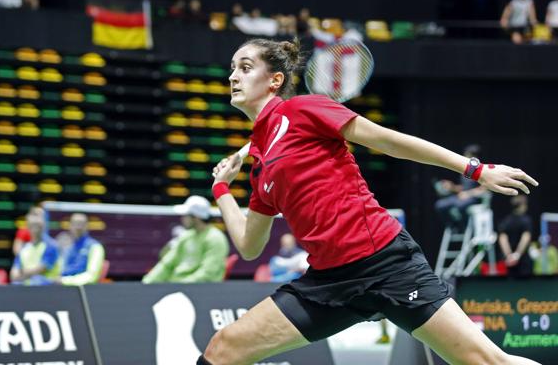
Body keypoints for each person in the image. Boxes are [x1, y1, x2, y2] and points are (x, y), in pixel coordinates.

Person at [201, 38, 540, 365]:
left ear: (275, 80)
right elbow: (249, 246)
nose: (233, 76)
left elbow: (387, 140)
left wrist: (474, 170)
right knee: (223, 350)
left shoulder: (303, 109)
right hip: (328, 283)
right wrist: (222, 189)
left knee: (486, 361)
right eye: (232, 68)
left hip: (385, 263)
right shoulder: (260, 164)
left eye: (245, 68)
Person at [143, 195, 229, 284]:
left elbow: (208, 273)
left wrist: (181, 286)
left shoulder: (215, 238)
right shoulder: (186, 236)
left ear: (196, 217)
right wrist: (146, 282)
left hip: (200, 291)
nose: (182, 218)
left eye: (185, 215)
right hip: (176, 287)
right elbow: (167, 263)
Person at [434, 144, 488, 232]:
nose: (465, 157)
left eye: (468, 155)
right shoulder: (466, 170)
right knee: (440, 205)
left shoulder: (482, 170)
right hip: (461, 197)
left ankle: (465, 228)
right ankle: (453, 227)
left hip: (473, 199)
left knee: (460, 206)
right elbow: (464, 188)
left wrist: (468, 194)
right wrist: (452, 187)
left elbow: (484, 189)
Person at [10, 211, 60, 285]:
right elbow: (13, 275)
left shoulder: (51, 245)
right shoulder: (24, 248)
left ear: (44, 224)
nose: (35, 227)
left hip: (47, 289)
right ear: (27, 225)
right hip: (26, 289)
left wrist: (22, 272)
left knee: (37, 280)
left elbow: (40, 270)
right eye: (32, 224)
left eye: (37, 224)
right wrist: (23, 274)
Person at [57, 213, 105, 286]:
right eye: (75, 223)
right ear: (70, 226)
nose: (78, 227)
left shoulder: (95, 247)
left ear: (87, 226)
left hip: (82, 290)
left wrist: (64, 281)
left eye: (81, 223)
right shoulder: (67, 247)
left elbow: (91, 276)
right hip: (61, 287)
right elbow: (60, 270)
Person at [497, 195, 533, 277]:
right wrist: (517, 255)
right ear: (523, 205)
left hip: (509, 261)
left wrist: (509, 256)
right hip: (523, 261)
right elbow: (525, 237)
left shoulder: (506, 221)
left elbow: (503, 239)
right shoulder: (526, 220)